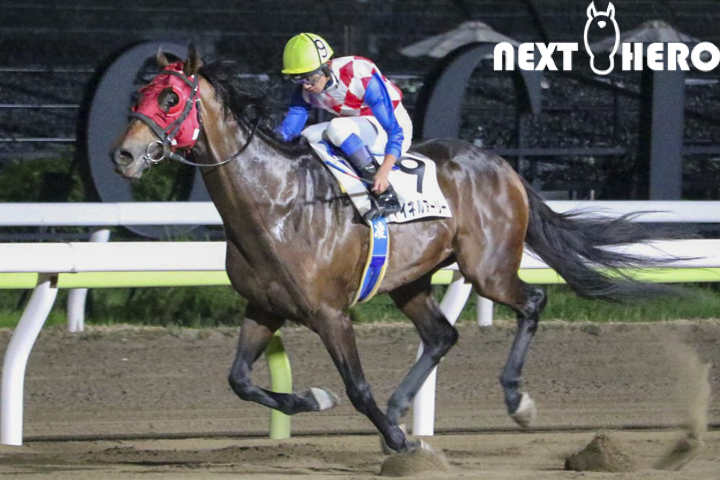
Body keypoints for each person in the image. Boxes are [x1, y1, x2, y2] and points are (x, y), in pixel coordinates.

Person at [275, 33, 413, 221]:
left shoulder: (360, 75)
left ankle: (386, 194)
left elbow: (395, 132)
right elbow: (287, 133)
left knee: (337, 127)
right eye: (299, 80)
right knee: (308, 135)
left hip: (394, 129)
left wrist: (384, 172)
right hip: (358, 128)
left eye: (311, 78)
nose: (306, 86)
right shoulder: (306, 89)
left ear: (327, 66)